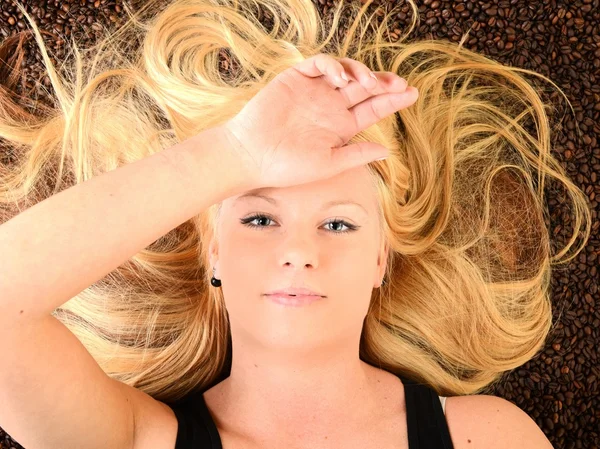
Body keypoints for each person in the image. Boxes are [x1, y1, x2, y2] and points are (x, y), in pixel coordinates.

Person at [0, 0, 590, 448]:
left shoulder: (484, 438)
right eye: (259, 217)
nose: (299, 252)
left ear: (382, 261)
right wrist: (235, 153)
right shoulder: (136, 439)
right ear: (214, 257)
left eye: (338, 225)